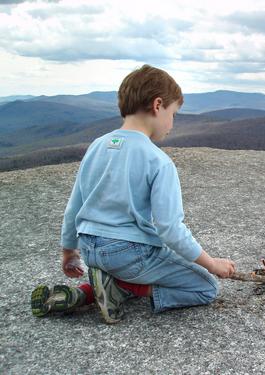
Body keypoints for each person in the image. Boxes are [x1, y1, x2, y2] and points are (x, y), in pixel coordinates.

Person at [31, 64, 236, 323]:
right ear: (157, 105)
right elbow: (170, 229)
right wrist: (212, 264)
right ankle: (125, 287)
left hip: (90, 249)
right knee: (205, 287)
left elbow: (74, 206)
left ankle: (87, 292)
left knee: (123, 267)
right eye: (174, 114)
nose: (172, 123)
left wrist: (69, 252)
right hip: (126, 254)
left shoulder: (96, 146)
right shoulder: (158, 161)